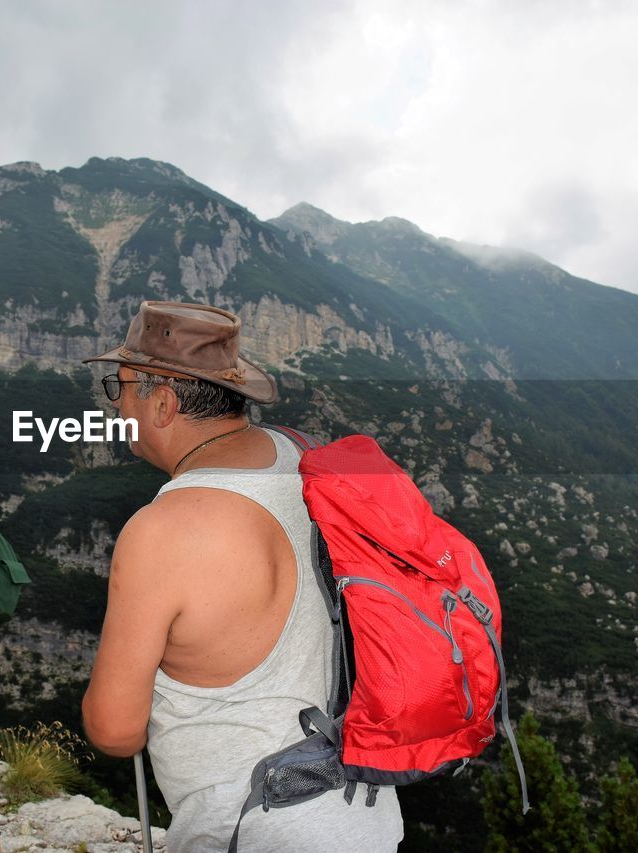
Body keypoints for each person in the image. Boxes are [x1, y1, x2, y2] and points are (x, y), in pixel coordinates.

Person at [80, 302, 404, 852]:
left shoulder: (163, 530)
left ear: (162, 403)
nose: (115, 403)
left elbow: (114, 730)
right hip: (363, 815)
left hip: (254, 829)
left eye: (121, 387)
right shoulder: (302, 459)